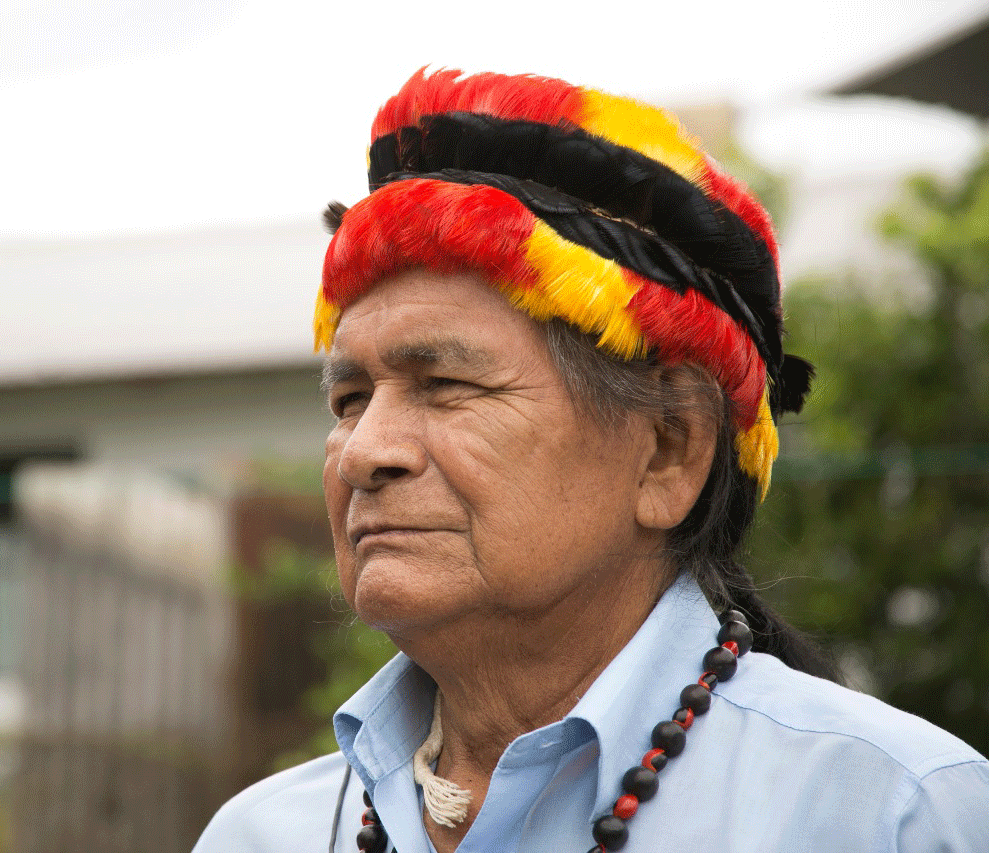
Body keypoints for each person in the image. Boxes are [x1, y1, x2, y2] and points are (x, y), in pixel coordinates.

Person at [193, 68, 989, 853]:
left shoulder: (895, 817)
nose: (364, 452)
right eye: (350, 399)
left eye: (444, 384)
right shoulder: (263, 835)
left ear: (668, 451)